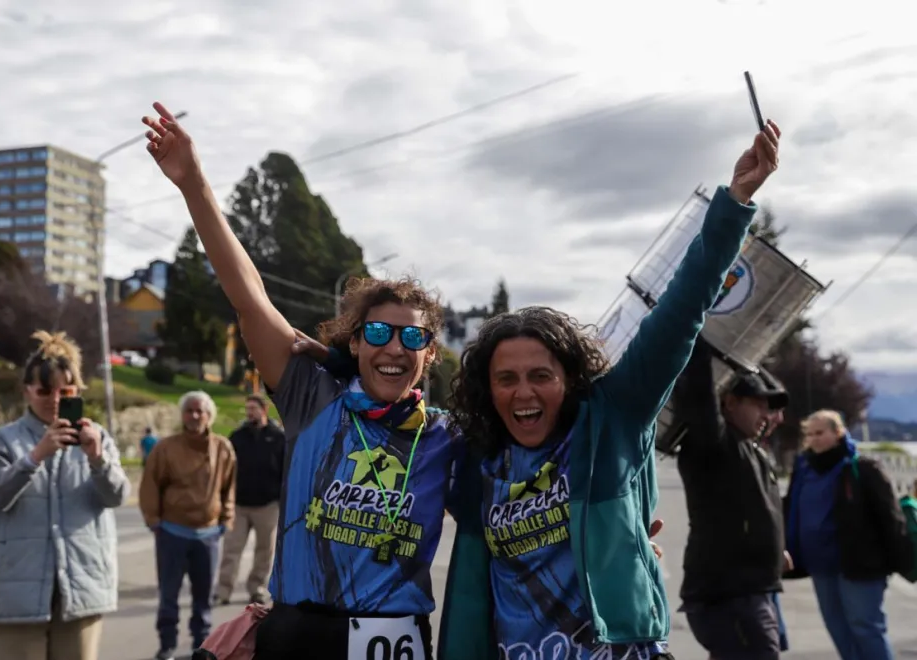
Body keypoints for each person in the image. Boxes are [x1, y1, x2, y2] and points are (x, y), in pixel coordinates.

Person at [303, 121, 782, 658]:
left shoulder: (612, 422)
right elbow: (390, 406)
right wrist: (345, 357)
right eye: (506, 379)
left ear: (569, 378)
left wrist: (734, 204)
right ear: (488, 390)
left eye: (541, 376)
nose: (524, 393)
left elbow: (680, 312)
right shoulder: (475, 460)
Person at [143, 101, 463, 659]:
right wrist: (193, 183)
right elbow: (249, 299)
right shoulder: (312, 396)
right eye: (378, 333)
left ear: (430, 354)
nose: (394, 348)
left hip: (396, 640)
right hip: (298, 635)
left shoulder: (445, 436)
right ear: (355, 342)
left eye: (412, 337)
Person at [0, 331, 130, 660]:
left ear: (78, 392)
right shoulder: (5, 440)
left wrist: (98, 459)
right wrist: (35, 457)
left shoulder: (97, 437)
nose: (55, 399)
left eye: (66, 391)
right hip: (15, 592)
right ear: (27, 392)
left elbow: (117, 496)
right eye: (45, 391)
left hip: (81, 586)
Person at [670, 338, 791, 659]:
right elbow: (698, 396)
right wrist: (696, 332)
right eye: (760, 404)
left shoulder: (749, 448)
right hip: (729, 598)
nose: (768, 414)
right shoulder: (714, 444)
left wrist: (775, 549)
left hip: (749, 593)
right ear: (730, 402)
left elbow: (752, 511)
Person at [785, 409, 913, 660]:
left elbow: (890, 517)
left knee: (865, 627)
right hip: (820, 565)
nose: (814, 439)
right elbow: (791, 508)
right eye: (810, 434)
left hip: (860, 566)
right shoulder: (803, 469)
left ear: (838, 433)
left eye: (820, 433)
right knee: (838, 629)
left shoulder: (862, 468)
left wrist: (901, 559)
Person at [139, 391, 237, 660]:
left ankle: (202, 645)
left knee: (203, 597)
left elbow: (228, 488)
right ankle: (167, 645)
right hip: (172, 533)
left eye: (199, 411)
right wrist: (154, 522)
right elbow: (150, 486)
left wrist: (226, 520)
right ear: (182, 415)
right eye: (189, 410)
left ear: (209, 415)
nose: (194, 415)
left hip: (208, 534)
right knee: (168, 594)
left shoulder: (222, 448)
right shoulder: (165, 448)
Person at [215, 394, 286, 606]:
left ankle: (257, 588)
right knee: (231, 549)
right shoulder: (237, 437)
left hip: (268, 504)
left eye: (253, 408)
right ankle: (223, 591)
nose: (249, 413)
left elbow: (287, 470)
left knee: (265, 551)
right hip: (239, 504)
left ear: (264, 410)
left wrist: (282, 497)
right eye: (247, 409)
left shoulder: (278, 437)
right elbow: (226, 468)